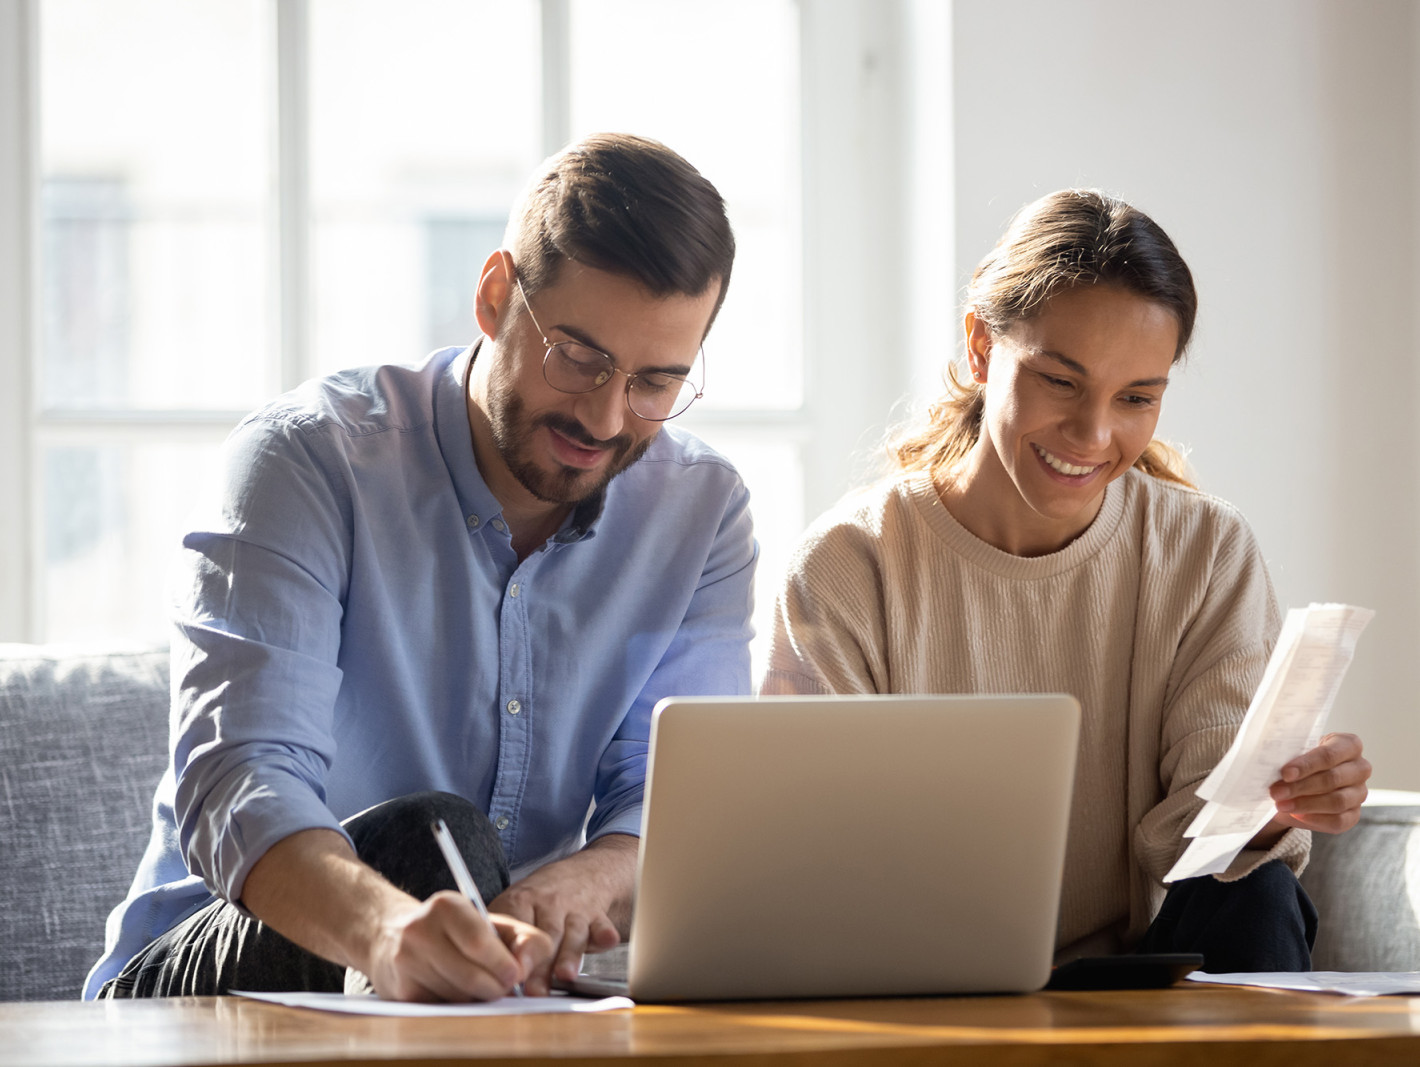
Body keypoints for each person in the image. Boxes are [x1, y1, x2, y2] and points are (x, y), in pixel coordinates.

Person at [85, 133, 756, 1002]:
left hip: (489, 989)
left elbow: (670, 801)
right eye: (579, 358)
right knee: (433, 837)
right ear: (493, 295)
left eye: (656, 382)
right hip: (201, 979)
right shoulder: (306, 461)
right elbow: (241, 783)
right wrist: (390, 932)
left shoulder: (700, 513)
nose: (605, 414)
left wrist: (582, 883)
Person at [761, 189, 1371, 971]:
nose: (1094, 435)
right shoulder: (850, 566)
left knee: (1259, 894)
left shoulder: (1206, 551)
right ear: (982, 346)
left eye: (1137, 398)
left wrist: (1271, 807)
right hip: (918, 973)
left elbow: (1205, 832)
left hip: (1144, 978)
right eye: (1060, 381)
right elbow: (814, 856)